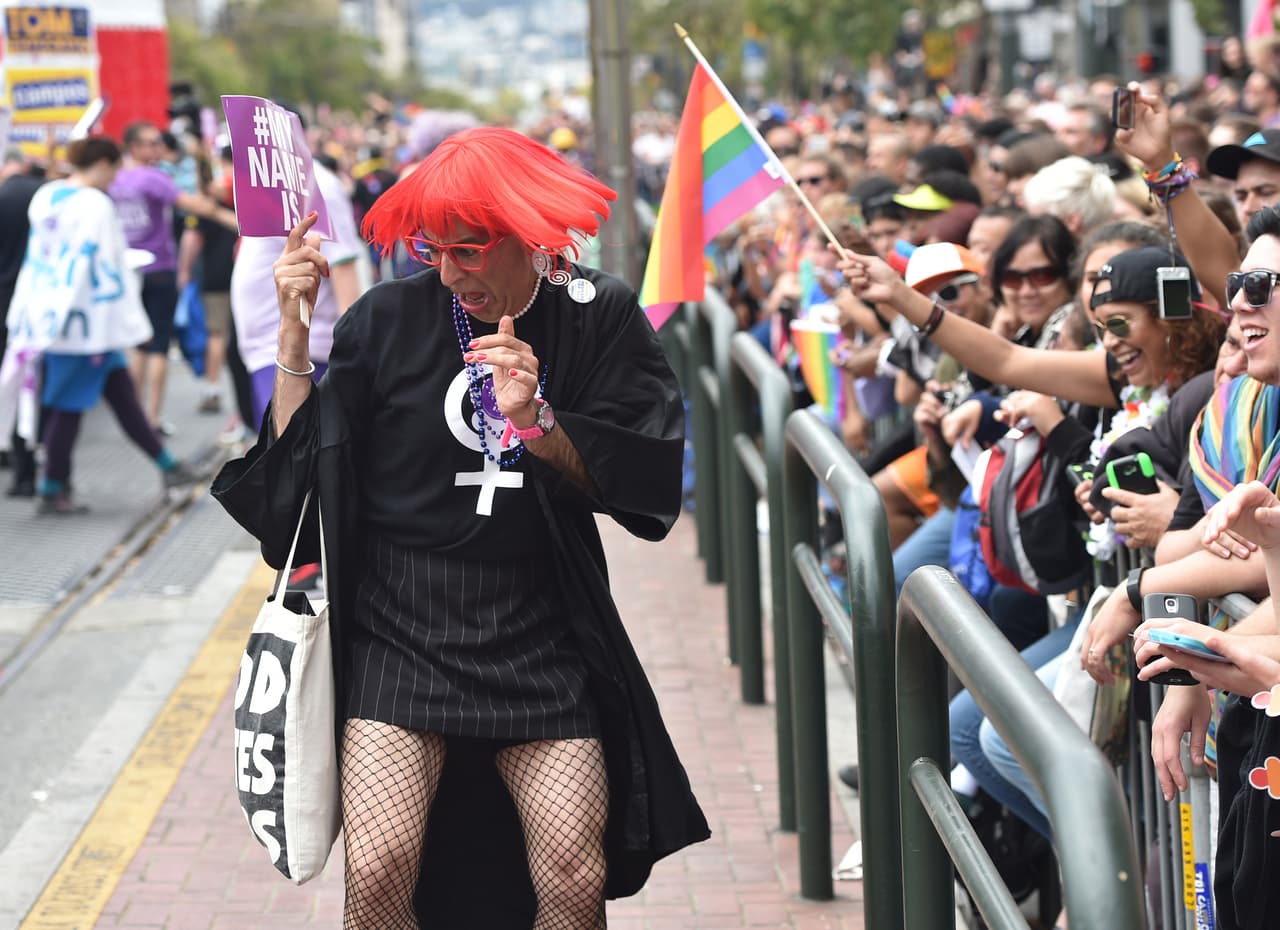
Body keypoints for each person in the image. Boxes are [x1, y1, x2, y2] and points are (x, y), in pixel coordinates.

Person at [210, 126, 709, 928]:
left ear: (528, 236)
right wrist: (295, 338)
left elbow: (642, 485)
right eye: (432, 249)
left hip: (541, 625)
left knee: (574, 875)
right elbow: (304, 474)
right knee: (376, 870)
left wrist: (537, 422)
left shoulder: (596, 313)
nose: (448, 272)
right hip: (403, 625)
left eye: (469, 251)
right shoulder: (389, 317)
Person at [0, 137, 196, 514]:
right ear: (104, 164)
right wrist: (134, 323)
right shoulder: (95, 205)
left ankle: (169, 467)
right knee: (70, 406)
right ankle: (53, 485)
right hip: (90, 325)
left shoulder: (48, 196)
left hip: (54, 318)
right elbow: (111, 267)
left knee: (118, 397)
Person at [109, 121, 224, 433]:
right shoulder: (154, 178)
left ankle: (132, 419)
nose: (157, 149)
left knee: (136, 345)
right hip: (158, 269)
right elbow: (191, 204)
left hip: (129, 271)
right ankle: (152, 418)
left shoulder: (114, 179)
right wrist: (219, 203)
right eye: (150, 143)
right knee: (158, 345)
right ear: (133, 147)